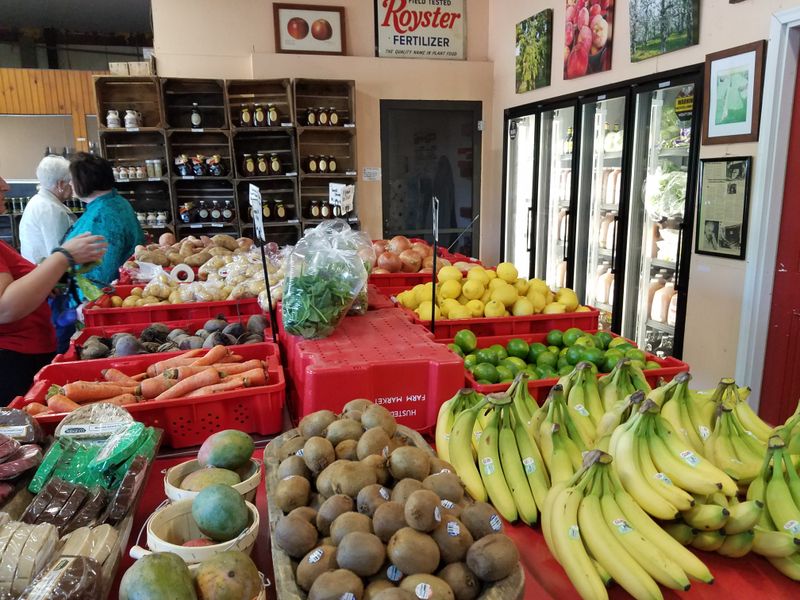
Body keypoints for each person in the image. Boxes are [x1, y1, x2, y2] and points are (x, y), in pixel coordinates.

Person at [0, 176, 107, 405]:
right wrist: (63, 256)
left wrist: (44, 282)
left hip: (25, 354)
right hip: (11, 361)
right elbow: (4, 308)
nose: (5, 186)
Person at [63, 153, 144, 287]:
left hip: (98, 296)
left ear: (84, 181)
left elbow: (101, 271)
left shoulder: (102, 217)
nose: (70, 183)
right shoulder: (116, 202)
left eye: (72, 179)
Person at [19, 155, 77, 264]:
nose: (73, 186)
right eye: (70, 181)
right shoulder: (50, 210)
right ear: (60, 184)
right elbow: (60, 254)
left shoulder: (40, 201)